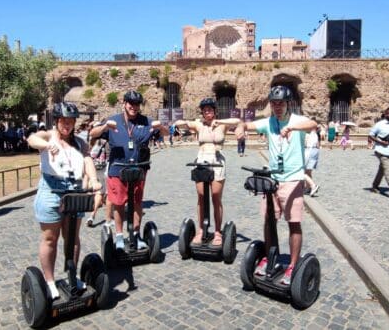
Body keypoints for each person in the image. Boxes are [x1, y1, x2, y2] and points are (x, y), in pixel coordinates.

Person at [243, 85, 317, 286]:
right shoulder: (269, 122)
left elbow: (313, 125)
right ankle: (269, 258)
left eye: (281, 103)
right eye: (274, 103)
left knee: (294, 222)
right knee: (269, 221)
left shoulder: (297, 120)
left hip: (292, 179)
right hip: (272, 179)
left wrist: (293, 128)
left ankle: (292, 265)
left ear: (288, 104)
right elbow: (247, 125)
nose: (277, 107)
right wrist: (241, 129)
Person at [27, 102, 101, 298]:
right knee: (50, 238)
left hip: (74, 190)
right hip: (51, 190)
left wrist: (94, 179)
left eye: (70, 121)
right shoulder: (48, 136)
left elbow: (87, 160)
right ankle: (50, 281)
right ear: (57, 121)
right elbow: (32, 139)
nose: (67, 124)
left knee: (72, 237)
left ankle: (72, 276)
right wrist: (46, 145)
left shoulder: (80, 143)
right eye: (63, 121)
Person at [89, 90, 168, 251]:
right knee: (118, 203)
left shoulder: (146, 121)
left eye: (137, 104)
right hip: (117, 169)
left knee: (137, 202)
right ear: (124, 104)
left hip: (139, 169)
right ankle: (119, 236)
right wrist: (105, 126)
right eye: (131, 103)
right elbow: (93, 133)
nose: (134, 106)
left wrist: (160, 126)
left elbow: (165, 133)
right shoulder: (113, 120)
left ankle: (136, 235)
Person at [173, 98, 242, 246]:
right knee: (201, 197)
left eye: (210, 109)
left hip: (217, 161)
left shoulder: (222, 125)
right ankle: (201, 230)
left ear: (215, 111)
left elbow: (237, 121)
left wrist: (220, 122)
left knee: (216, 197)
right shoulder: (199, 125)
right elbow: (178, 123)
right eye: (204, 110)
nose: (207, 112)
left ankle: (217, 231)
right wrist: (188, 122)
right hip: (202, 160)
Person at [303, 123, 321, 197]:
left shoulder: (309, 134)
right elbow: (318, 145)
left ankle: (313, 185)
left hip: (309, 151)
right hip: (315, 151)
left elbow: (305, 143)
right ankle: (308, 188)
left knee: (301, 171)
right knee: (308, 171)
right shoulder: (315, 134)